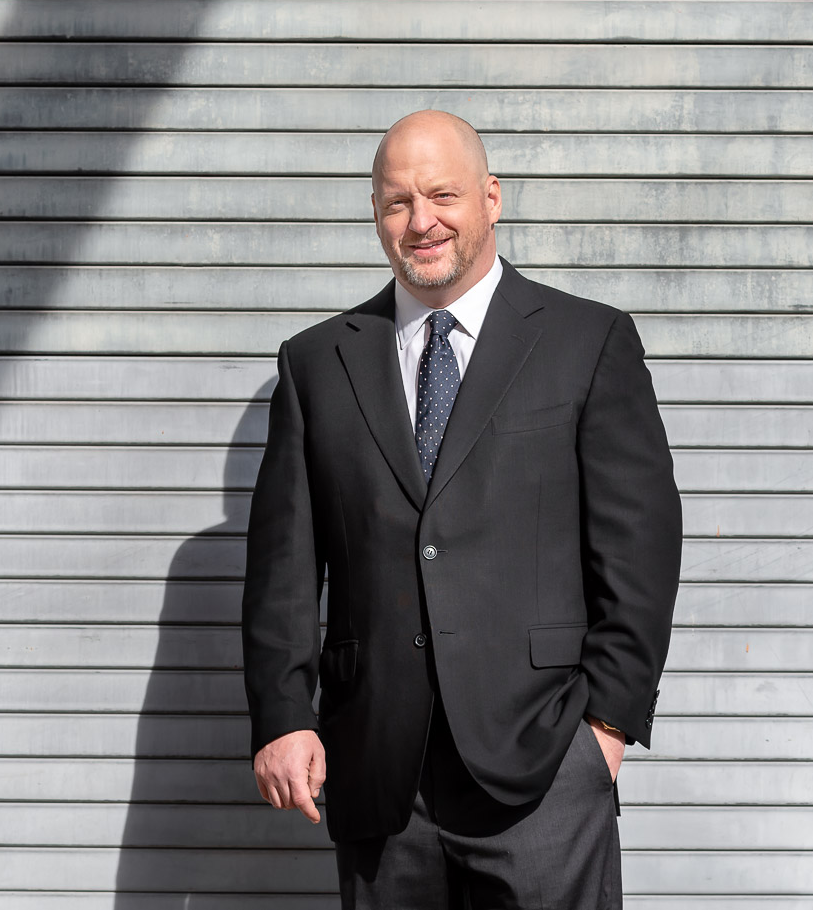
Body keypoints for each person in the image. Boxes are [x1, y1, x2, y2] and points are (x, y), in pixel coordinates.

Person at [241, 110, 682, 908]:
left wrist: (606, 733)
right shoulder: (317, 365)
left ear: (491, 197)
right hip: (381, 777)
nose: (422, 222)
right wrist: (282, 713)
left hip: (545, 770)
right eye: (398, 202)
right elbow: (284, 570)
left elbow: (640, 552)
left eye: (442, 194)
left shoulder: (588, 342)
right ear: (376, 213)